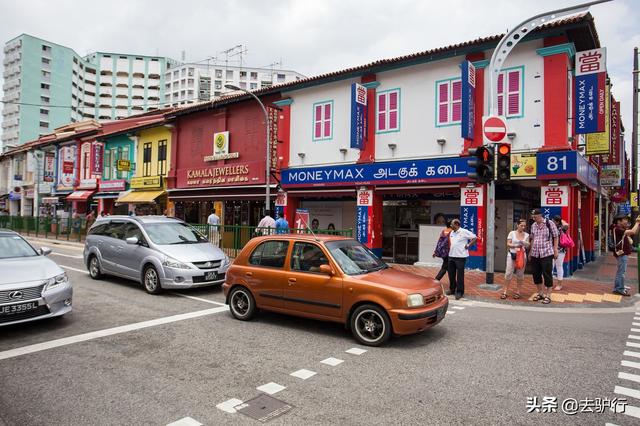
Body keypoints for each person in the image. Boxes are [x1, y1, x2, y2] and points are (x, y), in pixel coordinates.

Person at [529, 209, 560, 304]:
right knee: (536, 274)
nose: (534, 218)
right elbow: (533, 238)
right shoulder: (533, 225)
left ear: (540, 215)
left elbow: (556, 236)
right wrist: (530, 251)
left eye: (535, 216)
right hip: (535, 253)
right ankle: (540, 293)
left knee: (547, 274)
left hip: (546, 253)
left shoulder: (549, 223)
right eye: (533, 217)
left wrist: (555, 250)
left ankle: (548, 295)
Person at [447, 219, 477, 300]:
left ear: (457, 224)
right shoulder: (452, 232)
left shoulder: (464, 231)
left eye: (452, 224)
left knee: (460, 275)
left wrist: (468, 245)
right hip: (451, 256)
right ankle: (452, 290)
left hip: (460, 257)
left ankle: (460, 292)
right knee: (451, 274)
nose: (450, 226)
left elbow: (474, 237)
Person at [611, 215, 640, 296]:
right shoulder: (617, 229)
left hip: (623, 253)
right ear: (619, 221)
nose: (626, 221)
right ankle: (619, 289)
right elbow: (632, 232)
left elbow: (635, 232)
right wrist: (637, 222)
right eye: (625, 220)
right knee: (621, 272)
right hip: (621, 253)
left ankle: (620, 286)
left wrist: (638, 224)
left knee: (621, 271)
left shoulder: (621, 229)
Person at [501, 219, 530, 300]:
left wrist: (524, 243)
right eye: (521, 225)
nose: (523, 227)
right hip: (512, 254)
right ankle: (505, 291)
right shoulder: (512, 233)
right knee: (508, 273)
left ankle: (518, 291)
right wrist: (515, 246)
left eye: (524, 226)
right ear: (517, 225)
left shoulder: (526, 235)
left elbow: (528, 245)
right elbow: (508, 243)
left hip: (521, 255)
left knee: (520, 274)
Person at [552, 215, 570, 291]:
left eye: (553, 221)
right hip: (556, 250)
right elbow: (567, 225)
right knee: (554, 267)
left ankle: (558, 284)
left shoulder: (559, 228)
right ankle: (553, 284)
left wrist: (561, 222)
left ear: (557, 222)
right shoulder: (559, 228)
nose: (552, 222)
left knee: (557, 266)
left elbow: (567, 225)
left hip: (558, 250)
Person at [433, 219, 452, 284]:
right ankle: (436, 280)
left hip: (443, 253)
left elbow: (439, 242)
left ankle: (436, 280)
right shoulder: (452, 232)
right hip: (450, 252)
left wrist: (435, 251)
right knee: (448, 268)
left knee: (445, 266)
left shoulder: (443, 231)